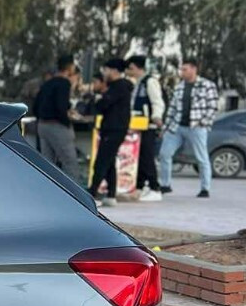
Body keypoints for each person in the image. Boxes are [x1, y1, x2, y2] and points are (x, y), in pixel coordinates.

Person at [158, 59, 219, 198]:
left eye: (185, 69)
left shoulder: (207, 85)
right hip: (177, 126)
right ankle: (165, 185)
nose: (182, 72)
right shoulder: (180, 87)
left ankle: (205, 188)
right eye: (181, 69)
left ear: (193, 69)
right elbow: (172, 109)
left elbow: (213, 107)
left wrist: (203, 123)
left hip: (196, 127)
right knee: (164, 154)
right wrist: (166, 127)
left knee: (201, 157)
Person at [78, 57, 133, 206]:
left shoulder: (119, 86)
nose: (105, 73)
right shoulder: (116, 86)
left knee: (101, 162)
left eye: (107, 70)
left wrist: (95, 103)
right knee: (108, 162)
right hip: (111, 128)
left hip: (115, 129)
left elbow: (104, 103)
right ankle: (111, 195)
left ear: (114, 70)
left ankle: (91, 194)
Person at [32, 54, 82, 181]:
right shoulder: (64, 83)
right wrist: (67, 123)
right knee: (69, 162)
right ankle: (73, 195)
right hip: (57, 125)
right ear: (70, 67)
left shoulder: (47, 83)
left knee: (47, 163)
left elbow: (36, 105)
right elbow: (61, 106)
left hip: (42, 125)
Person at [126, 55, 165, 201]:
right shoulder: (138, 83)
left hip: (148, 124)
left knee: (147, 156)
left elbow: (157, 101)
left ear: (138, 68)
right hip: (138, 124)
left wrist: (157, 116)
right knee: (140, 156)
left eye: (131, 68)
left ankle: (155, 187)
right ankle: (141, 186)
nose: (129, 71)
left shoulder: (150, 81)